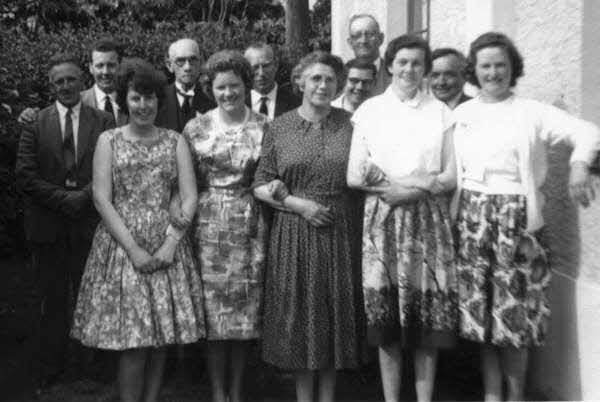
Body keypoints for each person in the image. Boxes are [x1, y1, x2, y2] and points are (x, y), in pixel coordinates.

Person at [452, 32, 600, 402]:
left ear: (512, 67)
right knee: (480, 317)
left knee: (514, 318)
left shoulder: (531, 111)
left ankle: (515, 396)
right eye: (485, 65)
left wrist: (579, 166)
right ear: (475, 70)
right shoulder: (462, 114)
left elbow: (587, 132)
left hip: (518, 225)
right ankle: (491, 395)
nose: (493, 72)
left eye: (500, 64)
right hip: (472, 223)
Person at [70, 59, 205, 402]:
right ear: (124, 101)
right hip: (122, 245)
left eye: (149, 98)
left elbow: (189, 197)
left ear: (159, 101)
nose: (143, 105)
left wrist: (171, 245)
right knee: (133, 339)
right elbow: (102, 199)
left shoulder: (175, 140)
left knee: (160, 338)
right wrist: (134, 250)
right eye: (135, 98)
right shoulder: (109, 140)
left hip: (166, 242)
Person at [347, 35, 458, 402]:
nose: (409, 69)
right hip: (382, 221)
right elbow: (354, 175)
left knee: (426, 318)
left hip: (428, 222)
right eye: (402, 62)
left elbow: (449, 176)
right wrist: (404, 188)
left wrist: (408, 189)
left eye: (417, 63)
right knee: (386, 321)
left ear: (425, 69)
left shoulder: (440, 112)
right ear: (389, 65)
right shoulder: (369, 111)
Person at [253, 51, 363, 402]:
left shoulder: (351, 124)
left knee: (332, 316)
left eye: (330, 79)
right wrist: (298, 204)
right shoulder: (279, 127)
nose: (323, 85)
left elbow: (362, 176)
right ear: (299, 81)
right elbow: (260, 183)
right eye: (315, 78)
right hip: (295, 231)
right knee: (301, 315)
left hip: (338, 230)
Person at [15, 52, 115, 392]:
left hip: (89, 225)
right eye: (59, 81)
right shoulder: (35, 123)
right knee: (52, 301)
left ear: (82, 81)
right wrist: (64, 199)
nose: (66, 86)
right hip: (48, 227)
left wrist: (83, 197)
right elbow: (25, 176)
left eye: (71, 79)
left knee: (92, 298)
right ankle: (53, 367)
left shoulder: (102, 121)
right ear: (51, 86)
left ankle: (95, 366)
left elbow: (111, 169)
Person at [180, 50, 268, 402]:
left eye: (234, 86)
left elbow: (270, 175)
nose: (228, 93)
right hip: (209, 226)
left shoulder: (264, 126)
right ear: (209, 89)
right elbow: (186, 183)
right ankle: (219, 393)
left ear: (245, 85)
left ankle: (237, 390)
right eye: (220, 87)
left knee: (244, 314)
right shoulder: (195, 128)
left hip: (250, 223)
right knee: (216, 318)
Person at [18, 38, 128, 127]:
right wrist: (29, 116)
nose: (105, 72)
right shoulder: (74, 101)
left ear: (120, 65)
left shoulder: (132, 101)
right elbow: (49, 120)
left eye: (111, 65)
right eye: (100, 66)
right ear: (90, 68)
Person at [155, 38, 215, 132]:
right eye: (180, 61)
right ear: (170, 65)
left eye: (193, 60)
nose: (187, 67)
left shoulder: (213, 100)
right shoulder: (157, 100)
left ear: (200, 62)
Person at [244, 42, 301, 119]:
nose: (261, 73)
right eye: (255, 67)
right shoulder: (239, 105)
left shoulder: (296, 104)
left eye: (266, 66)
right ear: (247, 70)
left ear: (276, 65)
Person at [347, 13, 391, 95]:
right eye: (357, 35)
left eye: (370, 34)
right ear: (350, 43)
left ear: (381, 38)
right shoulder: (340, 76)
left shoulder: (393, 75)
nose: (363, 41)